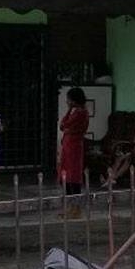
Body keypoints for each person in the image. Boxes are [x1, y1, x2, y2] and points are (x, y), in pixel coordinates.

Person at [59, 87, 90, 218]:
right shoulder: (74, 111)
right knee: (67, 176)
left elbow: (65, 125)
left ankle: (75, 209)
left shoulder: (81, 113)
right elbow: (63, 126)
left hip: (74, 147)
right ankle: (70, 208)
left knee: (73, 178)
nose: (67, 101)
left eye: (69, 99)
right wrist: (69, 110)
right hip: (68, 146)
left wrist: (67, 128)